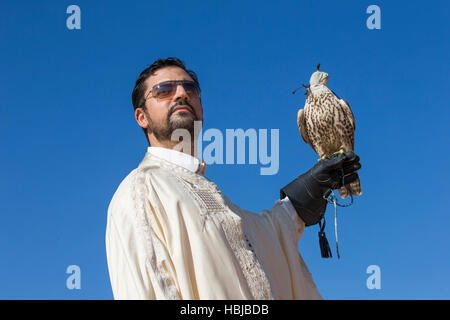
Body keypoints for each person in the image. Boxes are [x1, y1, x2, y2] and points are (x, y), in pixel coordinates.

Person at [105, 57, 361, 300]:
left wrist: (296, 206)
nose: (181, 93)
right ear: (142, 117)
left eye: (190, 89)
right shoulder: (141, 191)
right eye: (164, 90)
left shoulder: (213, 198)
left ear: (201, 107)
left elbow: (260, 241)